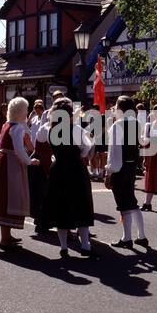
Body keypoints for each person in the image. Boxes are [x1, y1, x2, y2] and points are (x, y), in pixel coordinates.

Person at [39, 97, 96, 258]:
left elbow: (39, 137)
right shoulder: (76, 129)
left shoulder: (48, 128)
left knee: (61, 207)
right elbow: (88, 145)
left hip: (58, 169)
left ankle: (63, 247)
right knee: (82, 206)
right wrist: (81, 155)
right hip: (76, 169)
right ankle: (85, 246)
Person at [0, 97, 40, 250]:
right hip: (11, 165)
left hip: (3, 163)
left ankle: (6, 236)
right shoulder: (18, 127)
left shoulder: (8, 124)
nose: (27, 112)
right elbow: (19, 149)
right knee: (11, 198)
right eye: (25, 110)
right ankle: (5, 239)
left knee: (5, 198)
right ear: (21, 111)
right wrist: (29, 161)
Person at [105, 95, 148, 249]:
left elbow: (114, 152)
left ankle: (127, 238)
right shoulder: (135, 123)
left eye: (116, 106)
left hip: (120, 168)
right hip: (131, 167)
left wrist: (109, 173)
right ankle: (141, 236)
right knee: (131, 201)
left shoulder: (117, 126)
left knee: (123, 204)